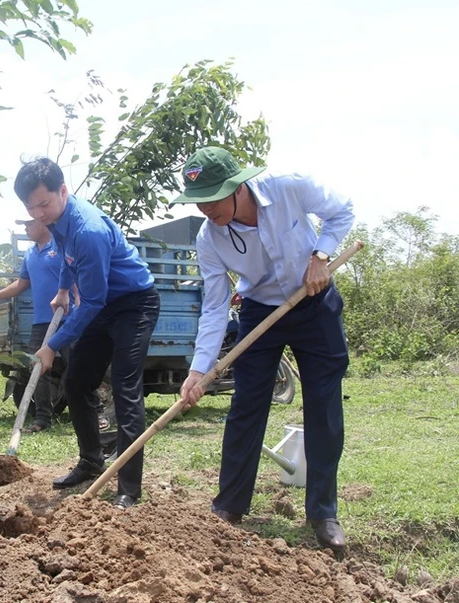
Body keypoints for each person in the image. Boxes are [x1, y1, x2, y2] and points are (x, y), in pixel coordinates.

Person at [175, 146, 354, 553]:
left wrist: (321, 256)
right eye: (198, 202)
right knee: (247, 405)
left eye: (212, 198)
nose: (206, 210)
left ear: (237, 187)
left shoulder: (288, 186)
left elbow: (342, 210)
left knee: (324, 407)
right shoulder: (209, 239)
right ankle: (230, 505)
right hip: (259, 311)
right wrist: (200, 369)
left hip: (315, 300)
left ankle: (323, 514)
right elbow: (216, 305)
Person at [13, 158, 160, 510]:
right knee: (78, 382)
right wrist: (63, 289)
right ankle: (91, 461)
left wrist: (52, 345)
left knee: (125, 389)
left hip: (132, 305)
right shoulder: (58, 221)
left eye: (44, 204)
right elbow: (68, 258)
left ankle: (128, 487)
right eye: (31, 208)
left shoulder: (88, 229)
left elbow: (91, 301)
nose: (38, 214)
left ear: (63, 191)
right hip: (102, 304)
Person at [0, 218, 81, 432]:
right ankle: (42, 419)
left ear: (42, 224)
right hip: (41, 321)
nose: (25, 229)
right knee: (37, 368)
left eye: (29, 224)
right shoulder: (30, 254)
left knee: (79, 367)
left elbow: (75, 274)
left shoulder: (60, 247)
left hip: (66, 319)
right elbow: (22, 283)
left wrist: (79, 304)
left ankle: (95, 412)